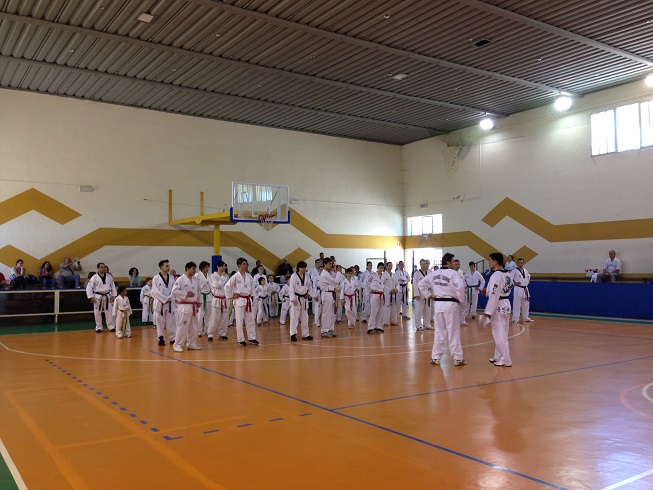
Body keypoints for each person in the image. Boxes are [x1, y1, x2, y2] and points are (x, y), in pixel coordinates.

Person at [419, 253, 467, 366]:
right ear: (448, 262)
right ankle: (458, 358)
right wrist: (460, 299)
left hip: (438, 304)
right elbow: (461, 287)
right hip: (450, 304)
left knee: (439, 331)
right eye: (453, 261)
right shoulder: (453, 273)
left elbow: (421, 284)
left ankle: (435, 357)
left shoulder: (434, 273)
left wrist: (429, 295)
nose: (454, 263)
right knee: (453, 331)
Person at [483, 253, 515, 367]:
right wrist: (487, 291)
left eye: (490, 260)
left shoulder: (496, 275)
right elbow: (507, 287)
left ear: (495, 262)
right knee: (502, 333)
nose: (489, 262)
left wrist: (488, 312)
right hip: (506, 303)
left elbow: (494, 294)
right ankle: (498, 356)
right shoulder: (507, 274)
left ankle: (506, 360)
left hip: (498, 305)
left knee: (499, 334)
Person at [225, 257, 259, 346]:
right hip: (239, 300)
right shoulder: (235, 276)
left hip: (248, 299)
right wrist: (231, 296)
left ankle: (252, 338)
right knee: (239, 321)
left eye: (246, 264)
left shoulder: (249, 276)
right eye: (244, 264)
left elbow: (252, 287)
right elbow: (227, 286)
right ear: (239, 265)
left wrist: (252, 295)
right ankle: (241, 339)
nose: (246, 265)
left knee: (250, 319)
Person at [171, 262, 202, 352]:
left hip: (194, 306)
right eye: (193, 269)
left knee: (194, 326)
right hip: (184, 306)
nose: (194, 271)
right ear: (187, 269)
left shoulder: (195, 280)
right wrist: (186, 294)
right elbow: (174, 291)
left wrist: (199, 301)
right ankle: (177, 344)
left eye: (195, 269)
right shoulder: (181, 279)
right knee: (182, 326)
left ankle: (191, 343)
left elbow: (199, 291)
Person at [86, 262, 117, 333]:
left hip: (107, 296)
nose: (103, 268)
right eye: (102, 267)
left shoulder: (109, 276)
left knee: (109, 312)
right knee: (97, 312)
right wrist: (91, 297)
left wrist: (113, 295)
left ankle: (111, 326)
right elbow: (89, 287)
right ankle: (99, 327)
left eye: (104, 267)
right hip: (97, 297)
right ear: (98, 268)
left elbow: (113, 286)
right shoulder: (94, 277)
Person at [152, 259, 176, 346]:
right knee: (160, 322)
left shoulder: (172, 278)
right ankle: (160, 338)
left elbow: (174, 290)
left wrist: (169, 298)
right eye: (166, 266)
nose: (168, 267)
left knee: (171, 321)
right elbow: (155, 291)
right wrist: (164, 299)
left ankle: (172, 338)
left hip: (170, 303)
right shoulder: (156, 278)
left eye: (169, 266)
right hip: (160, 303)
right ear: (161, 267)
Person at [288, 261, 313, 341]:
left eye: (305, 267)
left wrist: (309, 293)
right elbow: (291, 289)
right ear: (299, 268)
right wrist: (293, 299)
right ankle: (293, 334)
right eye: (303, 267)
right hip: (296, 298)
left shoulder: (307, 275)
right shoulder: (294, 276)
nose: (305, 269)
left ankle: (305, 334)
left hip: (304, 299)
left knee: (305, 318)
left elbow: (310, 286)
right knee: (294, 318)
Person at [208, 260, 230, 341]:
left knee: (224, 318)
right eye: (222, 266)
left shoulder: (226, 276)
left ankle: (222, 333)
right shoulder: (213, 276)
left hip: (225, 298)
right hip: (217, 298)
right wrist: (223, 277)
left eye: (224, 266)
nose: (224, 267)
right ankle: (210, 334)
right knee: (214, 317)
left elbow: (228, 287)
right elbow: (217, 286)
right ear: (217, 266)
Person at [319, 257, 338, 337]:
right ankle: (324, 330)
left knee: (331, 313)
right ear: (325, 264)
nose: (331, 265)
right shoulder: (325, 274)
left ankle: (330, 329)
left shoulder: (328, 273)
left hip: (331, 294)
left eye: (332, 264)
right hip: (326, 294)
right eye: (329, 264)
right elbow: (335, 282)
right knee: (326, 313)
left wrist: (334, 272)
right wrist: (336, 272)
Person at [367, 262, 388, 334]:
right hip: (374, 294)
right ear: (377, 268)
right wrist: (369, 290)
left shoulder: (383, 276)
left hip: (381, 295)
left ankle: (377, 326)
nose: (381, 269)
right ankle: (370, 327)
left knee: (380, 311)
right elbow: (367, 282)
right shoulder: (373, 275)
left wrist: (389, 290)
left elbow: (383, 285)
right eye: (380, 268)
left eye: (382, 268)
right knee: (374, 311)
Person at [412, 259, 432, 331]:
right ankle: (418, 325)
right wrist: (416, 294)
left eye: (424, 264)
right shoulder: (416, 274)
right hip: (420, 294)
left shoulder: (429, 273)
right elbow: (415, 284)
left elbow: (432, 283)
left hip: (428, 293)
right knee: (419, 311)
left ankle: (427, 324)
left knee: (428, 310)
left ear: (426, 264)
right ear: (420, 265)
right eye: (422, 264)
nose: (424, 265)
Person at [512, 258, 533, 323]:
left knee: (526, 304)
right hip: (518, 288)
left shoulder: (525, 270)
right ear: (517, 263)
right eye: (519, 263)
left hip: (525, 289)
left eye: (521, 263)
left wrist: (526, 282)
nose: (520, 264)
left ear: (523, 263)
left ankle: (526, 317)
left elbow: (528, 277)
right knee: (517, 304)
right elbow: (509, 279)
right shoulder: (514, 271)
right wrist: (514, 283)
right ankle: (515, 318)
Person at [195, 261, 212, 336]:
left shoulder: (210, 276)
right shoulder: (197, 275)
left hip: (209, 296)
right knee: (200, 315)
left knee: (208, 315)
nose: (207, 269)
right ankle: (198, 331)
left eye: (208, 267)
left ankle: (207, 330)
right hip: (201, 296)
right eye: (206, 267)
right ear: (202, 268)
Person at [453, 259, 468, 326]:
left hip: (461, 291)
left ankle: (462, 321)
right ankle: (455, 321)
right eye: (456, 264)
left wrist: (464, 288)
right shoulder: (452, 272)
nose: (457, 265)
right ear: (453, 265)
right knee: (455, 307)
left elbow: (463, 281)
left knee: (463, 306)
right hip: (454, 292)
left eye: (458, 264)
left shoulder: (461, 272)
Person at [384, 261, 399, 326]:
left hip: (393, 294)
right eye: (389, 265)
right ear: (386, 266)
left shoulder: (394, 275)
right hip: (387, 294)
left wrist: (396, 289)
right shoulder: (384, 275)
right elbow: (382, 285)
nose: (390, 267)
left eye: (391, 265)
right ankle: (386, 322)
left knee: (394, 307)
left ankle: (393, 321)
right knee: (386, 307)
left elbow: (397, 283)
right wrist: (389, 290)